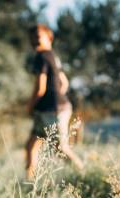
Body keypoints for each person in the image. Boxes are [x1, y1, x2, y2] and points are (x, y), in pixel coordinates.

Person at [25, 24, 83, 179]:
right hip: (51, 109)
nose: (34, 41)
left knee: (61, 148)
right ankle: (30, 182)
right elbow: (64, 83)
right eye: (32, 38)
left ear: (48, 37)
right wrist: (56, 97)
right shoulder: (53, 56)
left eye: (37, 37)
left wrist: (30, 106)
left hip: (52, 111)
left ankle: (83, 174)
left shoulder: (41, 56)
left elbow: (40, 88)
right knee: (31, 145)